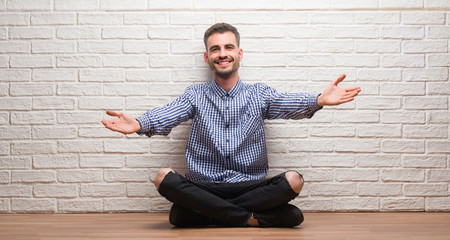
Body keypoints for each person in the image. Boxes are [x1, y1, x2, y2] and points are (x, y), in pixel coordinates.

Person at [102, 23, 361, 228]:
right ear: (207, 57)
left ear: (239, 53)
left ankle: (205, 213)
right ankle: (247, 218)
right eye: (215, 49)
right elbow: (170, 113)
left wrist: (319, 100)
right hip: (204, 185)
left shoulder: (259, 94)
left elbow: (286, 103)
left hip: (249, 185)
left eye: (228, 47)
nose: (222, 53)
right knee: (162, 177)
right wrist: (138, 122)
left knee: (293, 181)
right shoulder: (195, 95)